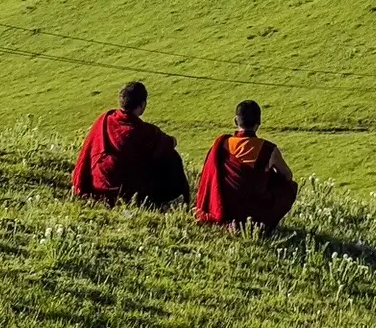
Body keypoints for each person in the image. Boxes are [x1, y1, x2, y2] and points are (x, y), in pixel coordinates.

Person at [72, 81, 191, 207]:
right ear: (142, 105)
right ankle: (173, 199)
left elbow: (87, 151)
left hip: (98, 185)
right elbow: (170, 143)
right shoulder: (145, 131)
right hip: (126, 192)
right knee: (172, 157)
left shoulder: (105, 119)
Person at [195, 99, 298, 232]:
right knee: (288, 186)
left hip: (225, 211)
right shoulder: (268, 149)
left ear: (235, 121)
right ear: (258, 124)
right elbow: (287, 175)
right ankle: (265, 226)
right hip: (255, 216)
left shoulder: (222, 145)